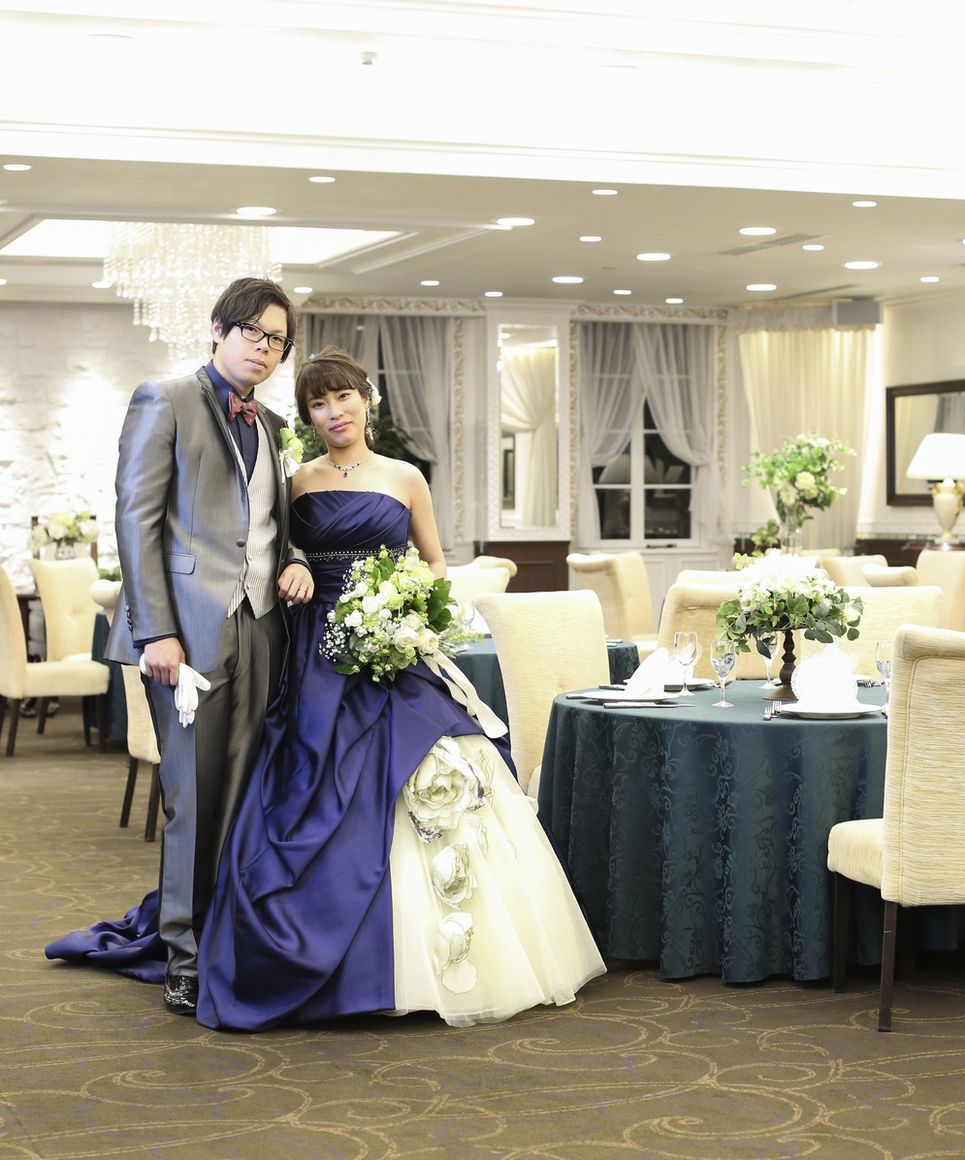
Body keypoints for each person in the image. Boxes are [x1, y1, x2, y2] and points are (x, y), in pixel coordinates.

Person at [48, 346, 605, 1031]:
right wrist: (301, 563)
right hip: (312, 646)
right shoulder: (296, 479)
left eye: (344, 397)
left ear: (368, 401)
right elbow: (272, 547)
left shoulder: (406, 477)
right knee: (300, 774)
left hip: (393, 644)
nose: (334, 411)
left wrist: (405, 610)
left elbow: (434, 563)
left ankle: (448, 957)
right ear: (308, 416)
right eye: (318, 402)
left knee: (436, 768)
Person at [100, 277, 314, 1016]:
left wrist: (296, 561)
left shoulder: (274, 425)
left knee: (248, 792)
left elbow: (278, 527)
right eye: (253, 331)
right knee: (193, 797)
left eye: (277, 340)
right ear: (218, 329)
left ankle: (228, 936)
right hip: (186, 636)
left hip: (263, 625)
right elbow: (136, 520)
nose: (264, 348)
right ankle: (184, 955)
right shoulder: (163, 400)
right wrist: (154, 629)